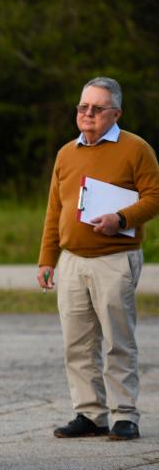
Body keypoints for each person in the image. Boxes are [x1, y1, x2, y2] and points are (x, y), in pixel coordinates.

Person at [38, 77, 159, 441]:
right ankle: (90, 413)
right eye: (82, 107)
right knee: (77, 342)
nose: (87, 114)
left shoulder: (136, 149)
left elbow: (154, 197)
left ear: (116, 113)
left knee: (117, 340)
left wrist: (120, 219)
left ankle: (124, 414)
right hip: (72, 260)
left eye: (97, 108)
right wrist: (48, 258)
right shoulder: (66, 153)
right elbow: (54, 209)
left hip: (115, 257)